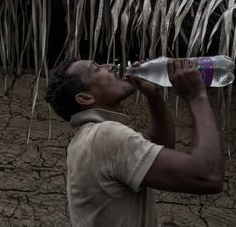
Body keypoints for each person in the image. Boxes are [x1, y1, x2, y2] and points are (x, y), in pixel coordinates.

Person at [44, 57, 224, 227]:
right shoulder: (105, 135)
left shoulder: (86, 140)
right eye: (97, 68)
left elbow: (159, 147)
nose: (110, 66)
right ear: (85, 98)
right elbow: (208, 176)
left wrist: (153, 96)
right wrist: (197, 96)